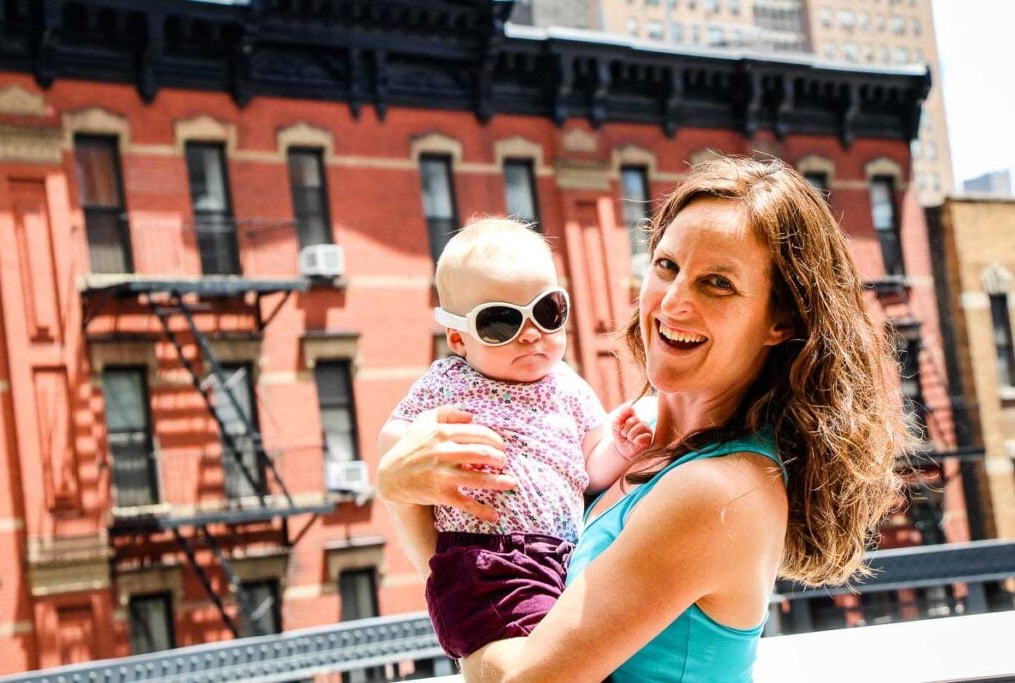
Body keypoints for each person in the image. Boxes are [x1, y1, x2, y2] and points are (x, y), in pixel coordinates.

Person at [378, 156, 912, 682]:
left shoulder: (718, 491)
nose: (672, 302)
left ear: (780, 321)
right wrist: (408, 487)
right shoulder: (640, 432)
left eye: (717, 283)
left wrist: (404, 504)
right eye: (667, 266)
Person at [379, 218, 654, 661]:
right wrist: (416, 452)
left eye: (547, 311)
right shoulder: (449, 380)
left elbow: (590, 468)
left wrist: (620, 449)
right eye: (500, 322)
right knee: (555, 658)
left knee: (586, 649)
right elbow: (396, 441)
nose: (530, 333)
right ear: (458, 338)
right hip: (486, 562)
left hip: (562, 554)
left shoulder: (568, 385)